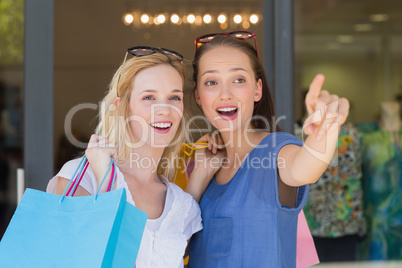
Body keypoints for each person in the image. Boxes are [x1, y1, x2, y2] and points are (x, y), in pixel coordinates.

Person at [185, 33, 350, 267]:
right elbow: (175, 246)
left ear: (257, 89)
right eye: (211, 82)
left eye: (239, 79)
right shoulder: (199, 161)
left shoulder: (276, 150)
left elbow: (306, 167)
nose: (225, 94)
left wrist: (326, 128)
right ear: (198, 96)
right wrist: (200, 177)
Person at [46, 46, 202, 268]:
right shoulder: (81, 178)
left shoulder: (182, 205)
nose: (164, 109)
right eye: (149, 97)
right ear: (122, 108)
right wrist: (105, 181)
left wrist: (202, 175)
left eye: (174, 97)